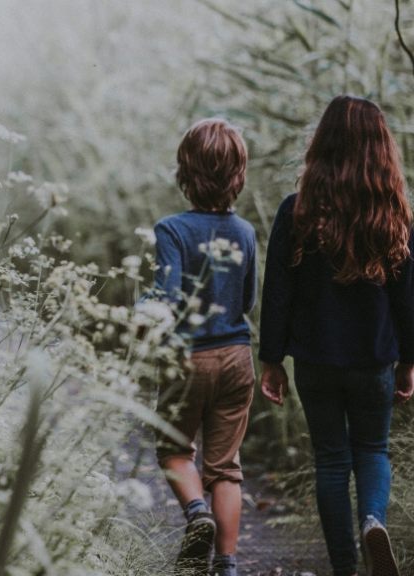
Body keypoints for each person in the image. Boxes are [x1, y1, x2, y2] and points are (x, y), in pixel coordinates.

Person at [259, 95, 414, 576]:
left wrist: (271, 359)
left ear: (320, 146)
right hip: (373, 360)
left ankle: (344, 566)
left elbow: (277, 292)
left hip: (316, 360)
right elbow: (408, 298)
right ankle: (373, 522)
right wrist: (409, 361)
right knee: (372, 449)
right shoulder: (393, 214)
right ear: (380, 149)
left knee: (330, 459)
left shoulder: (297, 212)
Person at [153, 118, 257, 576]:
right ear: (238, 175)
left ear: (184, 173)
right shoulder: (246, 233)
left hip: (187, 357)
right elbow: (249, 297)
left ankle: (198, 514)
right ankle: (228, 564)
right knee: (226, 467)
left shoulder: (171, 230)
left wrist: (144, 310)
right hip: (237, 356)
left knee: (174, 449)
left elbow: (168, 295)